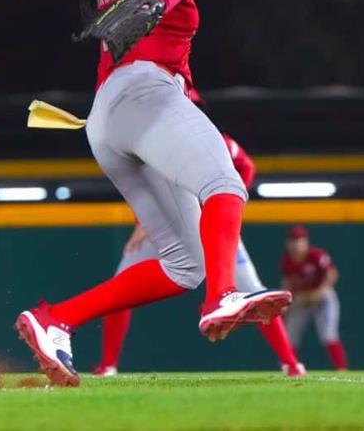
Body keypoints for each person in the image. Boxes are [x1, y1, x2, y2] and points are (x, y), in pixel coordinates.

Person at [14, 0, 290, 387]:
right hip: (145, 93)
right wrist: (162, 1)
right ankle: (224, 297)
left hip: (104, 120)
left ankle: (55, 319)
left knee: (180, 262)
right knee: (224, 180)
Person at [93, 90, 306, 377]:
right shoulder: (148, 143)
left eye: (194, 106)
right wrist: (141, 222)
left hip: (210, 227)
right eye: (185, 104)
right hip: (164, 228)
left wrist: (226, 203)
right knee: (121, 286)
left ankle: (290, 362)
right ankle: (107, 364)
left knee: (254, 292)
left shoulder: (215, 141)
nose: (190, 110)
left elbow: (246, 166)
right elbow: (139, 186)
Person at [280, 225, 348, 371]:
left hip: (322, 298)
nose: (296, 244)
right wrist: (285, 302)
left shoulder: (316, 256)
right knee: (289, 336)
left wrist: (319, 291)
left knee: (329, 334)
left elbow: (332, 274)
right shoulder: (287, 261)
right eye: (293, 240)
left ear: (306, 242)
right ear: (288, 243)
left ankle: (341, 368)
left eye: (299, 240)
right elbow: (287, 283)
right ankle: (288, 367)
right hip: (302, 299)